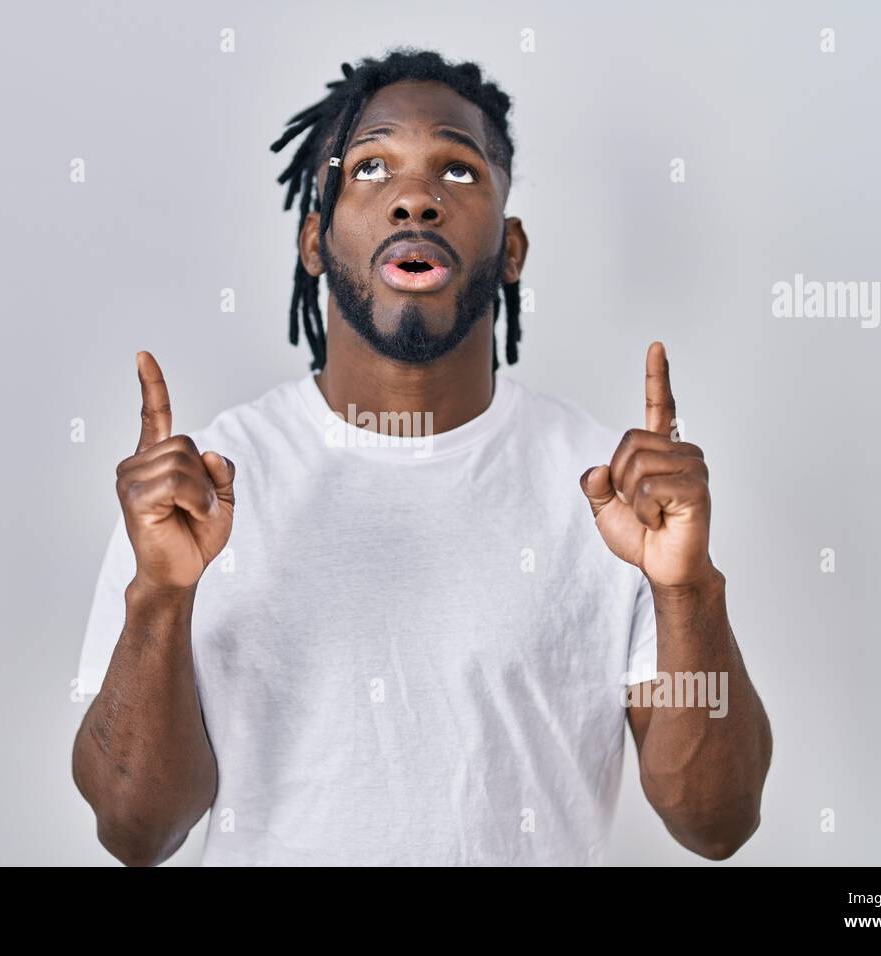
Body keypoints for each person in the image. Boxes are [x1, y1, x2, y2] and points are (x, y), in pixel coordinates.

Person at [72, 48, 772, 866]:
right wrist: (160, 595)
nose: (416, 199)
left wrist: (687, 589)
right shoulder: (199, 490)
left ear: (512, 251)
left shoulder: (610, 491)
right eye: (370, 167)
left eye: (460, 171)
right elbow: (135, 829)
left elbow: (717, 822)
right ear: (314, 240)